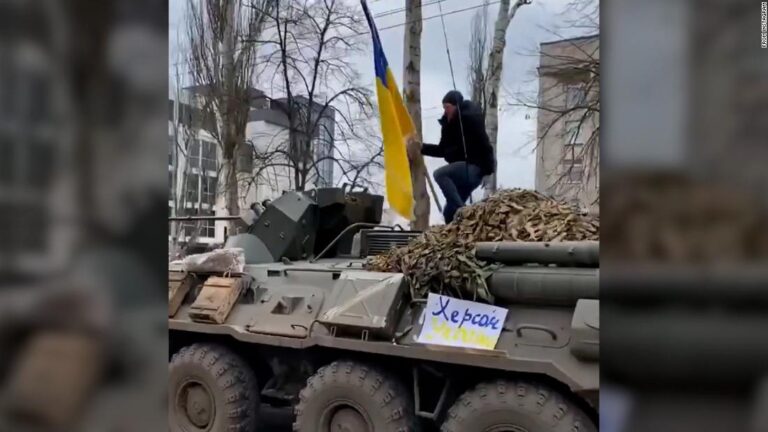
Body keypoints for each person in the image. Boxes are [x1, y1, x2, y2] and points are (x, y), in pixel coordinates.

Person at [421, 90, 495, 223]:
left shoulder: (469, 119)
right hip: (460, 174)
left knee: (440, 174)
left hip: (473, 168)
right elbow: (441, 150)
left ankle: (464, 211)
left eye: (448, 107)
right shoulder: (447, 126)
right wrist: (421, 148)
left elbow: (485, 144)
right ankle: (460, 230)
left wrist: (488, 171)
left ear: (456, 106)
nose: (445, 111)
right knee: (449, 213)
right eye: (444, 108)